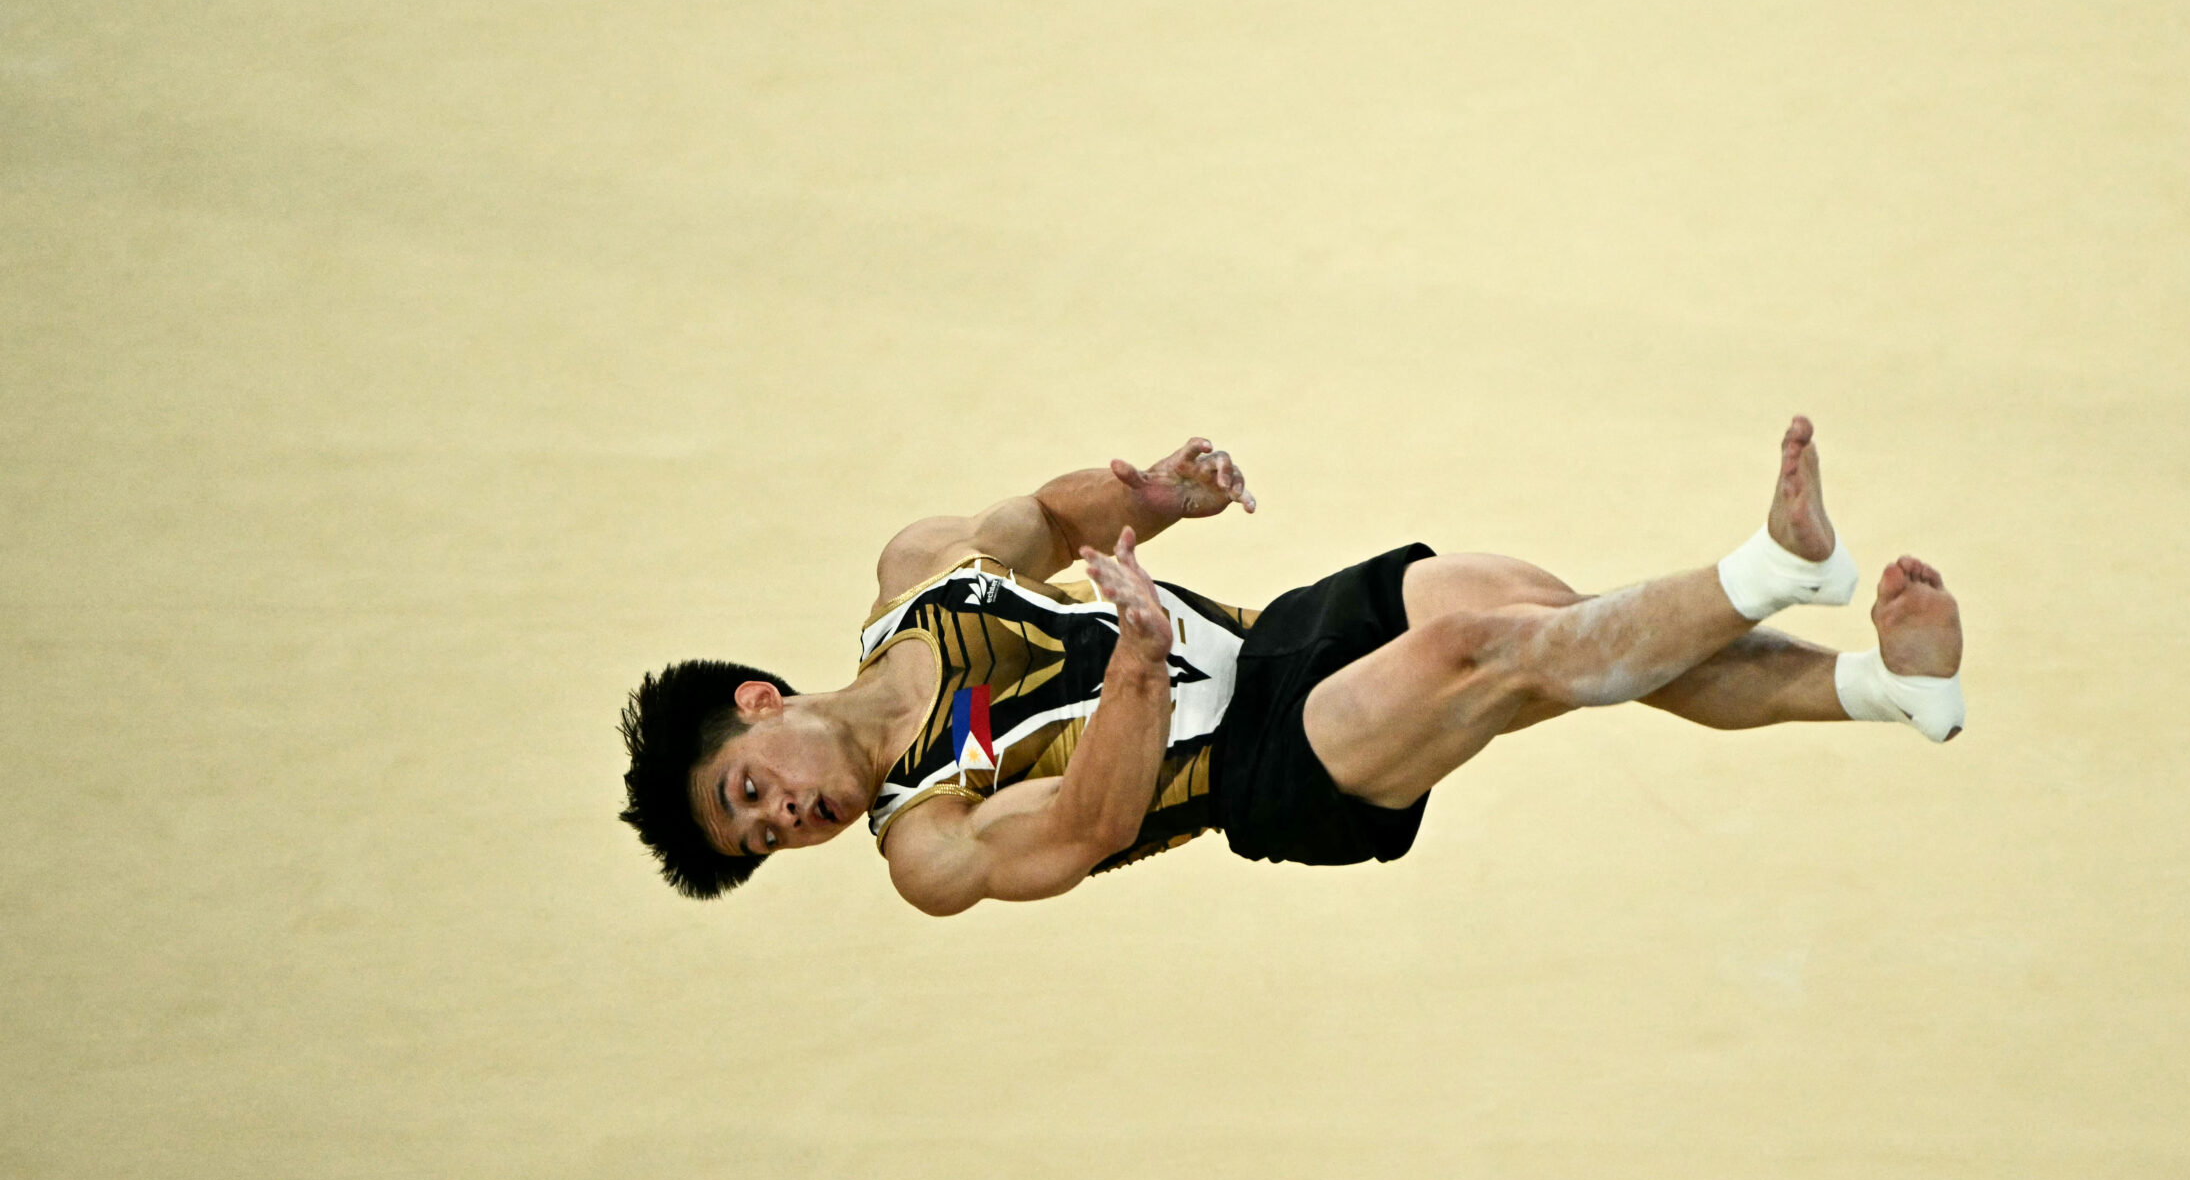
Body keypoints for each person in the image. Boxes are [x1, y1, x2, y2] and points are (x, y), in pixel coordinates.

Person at [617, 418, 1964, 915]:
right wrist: (1138, 660)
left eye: (747, 793)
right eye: (763, 843)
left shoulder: (914, 573)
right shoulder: (927, 840)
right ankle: (1778, 567)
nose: (784, 823)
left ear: (759, 704)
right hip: (1267, 774)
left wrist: (1150, 494)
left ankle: (1887, 690)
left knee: (1544, 610)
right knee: (1485, 652)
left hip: (1273, 644)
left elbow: (1042, 525)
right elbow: (1088, 826)